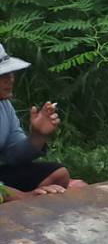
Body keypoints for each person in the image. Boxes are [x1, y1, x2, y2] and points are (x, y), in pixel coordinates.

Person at [0, 41, 83, 198]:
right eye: (2, 75)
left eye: (10, 73)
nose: (10, 79)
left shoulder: (4, 106)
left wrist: (37, 136)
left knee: (59, 174)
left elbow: (15, 156)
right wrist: (23, 197)